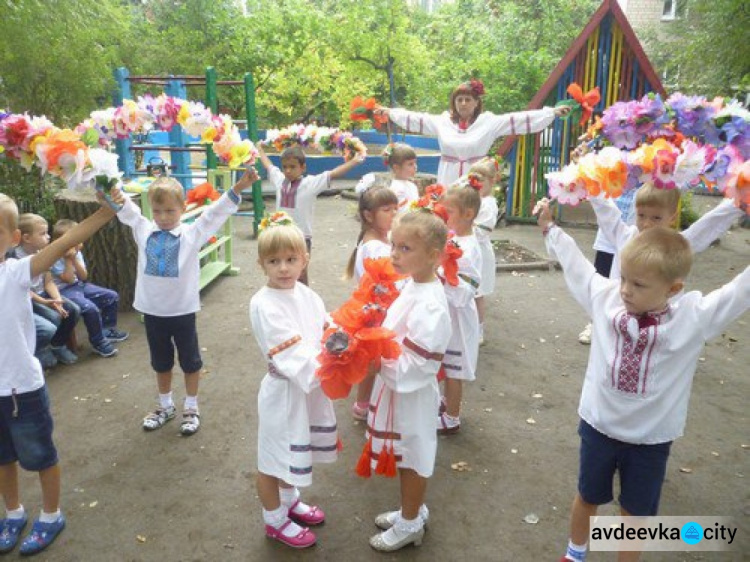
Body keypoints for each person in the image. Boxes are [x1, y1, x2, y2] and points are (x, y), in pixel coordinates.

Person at [535, 199, 750, 562]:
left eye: (638, 284)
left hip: (650, 439)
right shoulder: (606, 301)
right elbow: (577, 267)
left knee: (633, 515)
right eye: (623, 278)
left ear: (673, 289)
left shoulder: (693, 318)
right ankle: (574, 554)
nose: (625, 290)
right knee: (587, 496)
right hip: (599, 426)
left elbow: (738, 292)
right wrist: (550, 229)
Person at [0, 193, 115, 555]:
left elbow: (65, 241)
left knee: (40, 456)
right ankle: (13, 513)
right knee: (3, 458)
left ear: (13, 239)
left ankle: (51, 516)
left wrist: (106, 211)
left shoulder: (17, 271)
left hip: (22, 389)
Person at [110, 170, 258, 436]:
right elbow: (127, 209)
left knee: (190, 361)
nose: (164, 217)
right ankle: (165, 405)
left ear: (182, 208)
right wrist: (110, 191)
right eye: (158, 211)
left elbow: (214, 213)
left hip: (182, 312)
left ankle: (191, 406)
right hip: (153, 312)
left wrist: (240, 186)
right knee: (161, 362)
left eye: (170, 210)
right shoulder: (144, 229)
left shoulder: (191, 234)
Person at [249, 214, 338, 549]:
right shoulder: (264, 303)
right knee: (272, 458)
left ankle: (289, 502)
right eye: (274, 261)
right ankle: (274, 519)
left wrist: (341, 338)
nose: (283, 268)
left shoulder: (306, 294)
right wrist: (332, 364)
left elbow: (325, 325)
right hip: (284, 390)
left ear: (305, 260)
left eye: (291, 260)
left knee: (291, 450)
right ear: (262, 264)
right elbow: (292, 355)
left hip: (306, 389)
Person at [366, 209, 451, 551]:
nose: (395, 256)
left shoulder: (431, 306)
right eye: (394, 246)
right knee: (406, 454)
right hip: (401, 390)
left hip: (412, 393)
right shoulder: (415, 285)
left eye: (405, 249)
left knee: (414, 456)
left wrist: (374, 355)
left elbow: (415, 366)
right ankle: (409, 511)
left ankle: (411, 523)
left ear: (433, 255)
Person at [376, 79, 570, 186]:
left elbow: (519, 120)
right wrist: (391, 113)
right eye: (459, 100)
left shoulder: (489, 122)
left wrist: (551, 113)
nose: (463, 104)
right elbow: (417, 119)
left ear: (476, 102)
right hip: (448, 177)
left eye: (468, 99)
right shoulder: (442, 121)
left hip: (476, 177)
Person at [590, 182, 746, 283]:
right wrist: (588, 180)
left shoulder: (676, 245)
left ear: (672, 218)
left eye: (656, 218)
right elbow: (607, 212)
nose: (646, 224)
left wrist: (738, 203)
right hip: (617, 322)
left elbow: (708, 225)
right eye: (641, 215)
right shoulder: (626, 236)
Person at [257, 144, 363, 284]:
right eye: (285, 167)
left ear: (303, 168)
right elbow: (269, 166)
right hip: (280, 235)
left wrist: (354, 161)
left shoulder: (311, 183)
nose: (288, 171)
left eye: (293, 167)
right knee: (280, 271)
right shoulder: (279, 180)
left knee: (299, 273)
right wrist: (259, 149)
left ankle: (303, 301)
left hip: (301, 238)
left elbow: (333, 173)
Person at [344, 186, 399, 421]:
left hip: (376, 306)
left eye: (396, 209)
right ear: (369, 216)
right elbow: (390, 278)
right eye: (387, 210)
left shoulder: (377, 240)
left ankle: (364, 403)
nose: (394, 214)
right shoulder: (375, 247)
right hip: (377, 309)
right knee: (372, 359)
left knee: (371, 358)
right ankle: (363, 405)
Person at [437, 182, 482, 434]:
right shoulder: (454, 238)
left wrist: (438, 271)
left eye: (449, 212)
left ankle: (452, 417)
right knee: (447, 362)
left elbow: (467, 289)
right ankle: (447, 403)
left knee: (455, 368)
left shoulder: (469, 247)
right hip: (449, 313)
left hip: (459, 316)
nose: (444, 217)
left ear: (467, 214)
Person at [50, 220, 128, 358]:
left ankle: (107, 329)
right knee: (90, 308)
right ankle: (98, 342)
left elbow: (83, 276)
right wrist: (68, 260)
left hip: (78, 285)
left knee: (111, 296)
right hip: (63, 290)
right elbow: (67, 279)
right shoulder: (53, 256)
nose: (79, 243)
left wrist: (74, 258)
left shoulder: (76, 253)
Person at [12, 214, 80, 367]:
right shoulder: (14, 259)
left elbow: (48, 282)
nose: (48, 237)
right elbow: (23, 290)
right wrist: (46, 302)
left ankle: (57, 344)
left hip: (44, 294)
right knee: (54, 319)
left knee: (72, 310)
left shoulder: (42, 253)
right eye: (43, 234)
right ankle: (39, 349)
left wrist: (58, 300)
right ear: (27, 238)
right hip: (29, 298)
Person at [470, 158, 501, 345]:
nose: (478, 183)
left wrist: (464, 228)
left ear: (492, 180)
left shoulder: (489, 203)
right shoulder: (474, 199)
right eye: (475, 179)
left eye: (482, 179)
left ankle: (479, 329)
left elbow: (483, 229)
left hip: (479, 251)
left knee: (477, 293)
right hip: (469, 248)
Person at [355, 143, 420, 211]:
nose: (415, 166)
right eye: (410, 164)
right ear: (396, 168)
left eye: (415, 163)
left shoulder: (411, 185)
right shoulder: (396, 188)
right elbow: (399, 211)